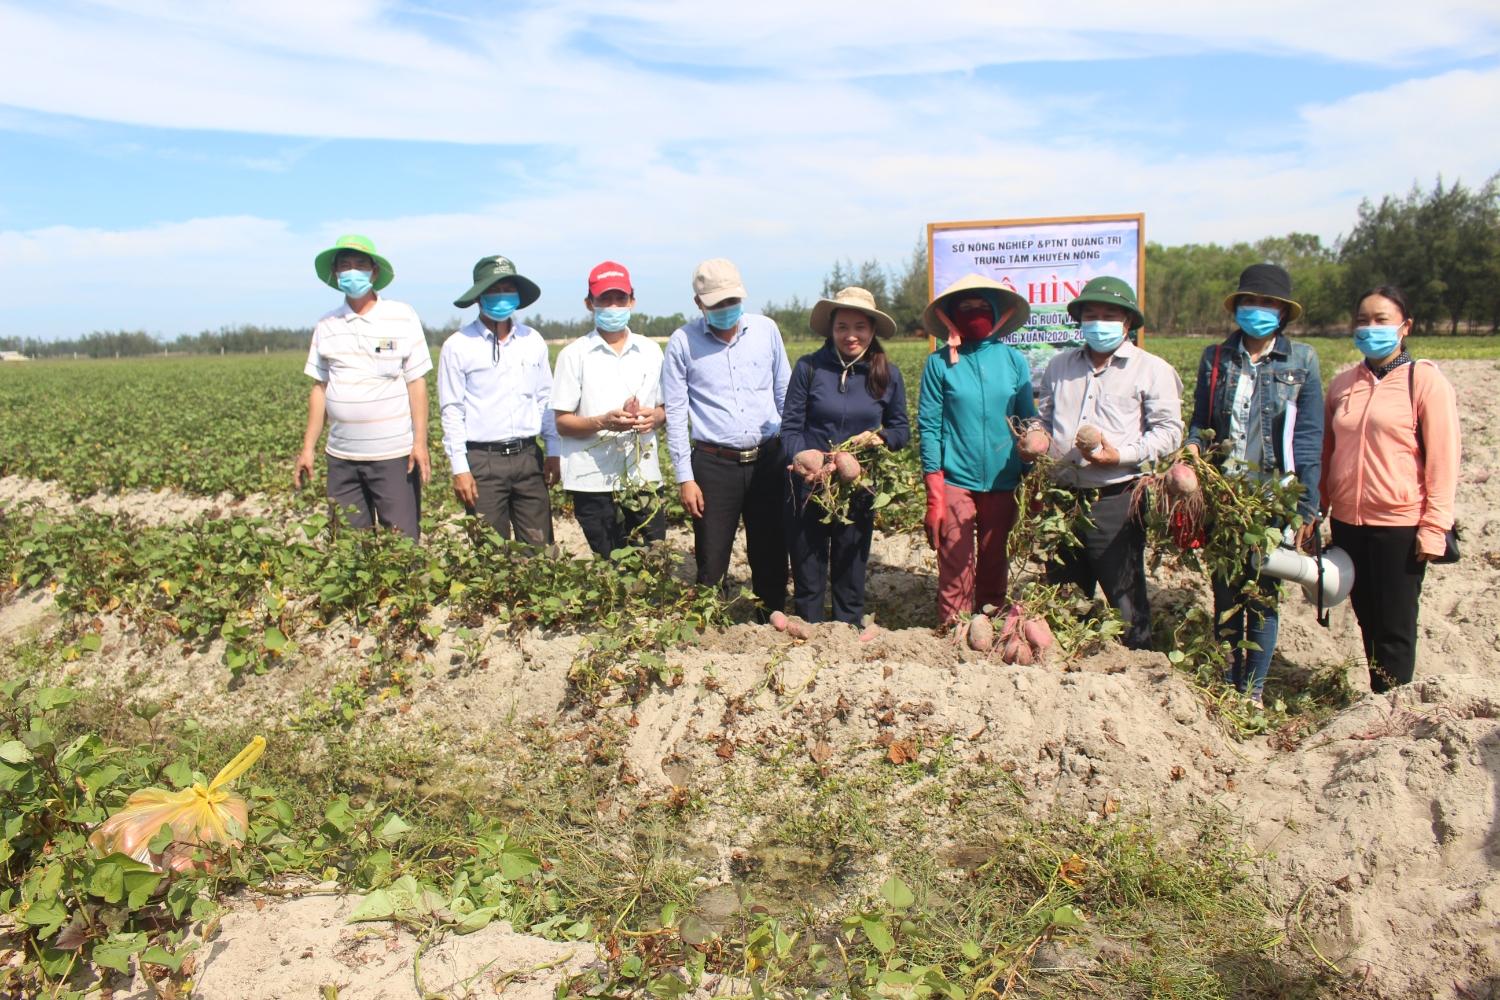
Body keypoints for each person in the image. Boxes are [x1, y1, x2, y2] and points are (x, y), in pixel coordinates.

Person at [1185, 263, 1322, 707]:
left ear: (1282, 312)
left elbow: (1308, 438)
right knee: (1225, 590)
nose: (1256, 310)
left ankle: (1253, 691)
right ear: (1237, 308)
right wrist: (1191, 450)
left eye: (1266, 303)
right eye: (1249, 302)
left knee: (1262, 593)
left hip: (1273, 497)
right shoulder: (1216, 357)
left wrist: (1307, 507)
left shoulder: (1301, 361)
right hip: (1224, 494)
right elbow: (1201, 421)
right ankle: (1227, 679)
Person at [1021, 276, 1182, 649]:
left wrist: (1119, 455)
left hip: (1117, 496)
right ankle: (1068, 667)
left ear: (1127, 323)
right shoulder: (1060, 365)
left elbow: (1169, 433)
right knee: (1063, 592)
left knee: (1123, 595)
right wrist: (1035, 437)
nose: (1099, 322)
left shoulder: (1151, 369)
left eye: (1109, 314)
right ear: (1079, 321)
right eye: (1090, 314)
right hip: (1063, 497)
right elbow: (1043, 418)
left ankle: (1136, 665)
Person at [1320, 284, 1460, 693]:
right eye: (1362, 321)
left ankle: (1395, 710)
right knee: (1366, 616)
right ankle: (1382, 696)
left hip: (1400, 524)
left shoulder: (1424, 382)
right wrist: (1319, 508)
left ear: (1405, 327)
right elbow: (1329, 452)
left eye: (1381, 320)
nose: (1370, 328)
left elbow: (1443, 460)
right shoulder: (1343, 384)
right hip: (1349, 522)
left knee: (1395, 625)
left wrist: (1435, 525)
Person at [662, 258, 790, 615]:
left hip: (768, 457)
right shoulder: (682, 343)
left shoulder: (766, 331)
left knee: (770, 551)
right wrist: (685, 477)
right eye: (716, 304)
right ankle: (710, 630)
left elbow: (784, 394)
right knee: (712, 556)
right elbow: (675, 414)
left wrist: (793, 451)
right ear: (699, 303)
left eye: (731, 301)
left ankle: (772, 617)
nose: (726, 310)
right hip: (714, 464)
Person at [782, 286, 910, 625]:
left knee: (850, 569)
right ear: (831, 329)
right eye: (842, 327)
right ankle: (807, 633)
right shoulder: (809, 368)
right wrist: (804, 457)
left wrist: (878, 439)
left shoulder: (887, 374)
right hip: (808, 485)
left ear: (871, 330)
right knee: (808, 569)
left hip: (858, 485)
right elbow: (790, 428)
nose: (851, 335)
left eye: (859, 327)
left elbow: (901, 430)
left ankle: (847, 636)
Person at [294, 234, 431, 539]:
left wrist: (420, 442)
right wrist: (307, 448)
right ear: (335, 274)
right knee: (349, 548)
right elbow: (319, 389)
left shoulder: (402, 316)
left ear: (374, 272)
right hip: (342, 458)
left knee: (402, 544)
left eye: (359, 264)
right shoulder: (326, 325)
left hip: (393, 455)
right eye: (345, 266)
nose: (352, 271)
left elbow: (416, 382)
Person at [917, 275, 1035, 627]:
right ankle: (953, 633)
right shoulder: (939, 364)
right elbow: (930, 427)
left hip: (1004, 478)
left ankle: (990, 628)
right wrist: (934, 494)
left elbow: (1028, 420)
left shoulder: (1014, 362)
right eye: (963, 307)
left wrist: (1033, 477)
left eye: (981, 306)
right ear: (950, 316)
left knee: (994, 558)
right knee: (955, 563)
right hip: (955, 480)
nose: (973, 313)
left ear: (996, 311)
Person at [437, 255, 560, 544]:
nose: (502, 296)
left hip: (529, 458)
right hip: (483, 461)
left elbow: (546, 399)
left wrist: (553, 450)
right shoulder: (458, 346)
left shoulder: (533, 340)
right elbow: (452, 410)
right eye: (494, 289)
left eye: (508, 289)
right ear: (479, 296)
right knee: (490, 556)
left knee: (540, 550)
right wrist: (460, 469)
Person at [552, 261, 667, 557]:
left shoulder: (651, 350)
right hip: (592, 480)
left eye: (620, 298)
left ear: (632, 300)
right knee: (611, 564)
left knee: (652, 559)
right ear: (590, 303)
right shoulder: (573, 355)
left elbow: (664, 409)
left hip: (644, 477)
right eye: (605, 299)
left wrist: (655, 417)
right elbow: (563, 422)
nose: (613, 306)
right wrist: (602, 422)